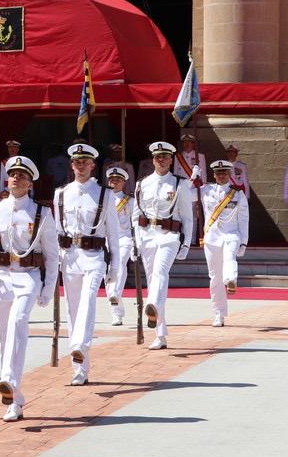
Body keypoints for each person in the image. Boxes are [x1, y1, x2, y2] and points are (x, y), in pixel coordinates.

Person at [0, 155, 58, 422]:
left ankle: (8, 379)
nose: (15, 178)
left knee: (18, 322)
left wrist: (49, 288)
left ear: (30, 183)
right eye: (12, 174)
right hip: (1, 277)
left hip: (27, 277)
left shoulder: (41, 213)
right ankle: (15, 398)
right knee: (4, 336)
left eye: (22, 175)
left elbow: (52, 254)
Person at [53, 143, 120, 386]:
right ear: (72, 165)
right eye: (76, 162)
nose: (80, 165)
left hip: (94, 256)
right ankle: (79, 369)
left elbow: (114, 233)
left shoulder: (105, 194)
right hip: (70, 256)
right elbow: (58, 232)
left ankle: (79, 344)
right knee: (72, 309)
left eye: (85, 162)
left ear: (93, 165)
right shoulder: (60, 193)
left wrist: (115, 269)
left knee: (88, 299)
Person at [133, 141, 194, 351]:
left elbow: (188, 217)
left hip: (170, 236)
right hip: (148, 236)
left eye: (166, 157)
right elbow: (136, 215)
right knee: (154, 281)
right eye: (158, 157)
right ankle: (160, 334)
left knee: (160, 273)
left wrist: (186, 244)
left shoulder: (180, 184)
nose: (162, 160)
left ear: (171, 160)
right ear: (153, 160)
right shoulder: (142, 183)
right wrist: (137, 241)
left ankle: (151, 305)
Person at [201, 160, 249, 327]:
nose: (221, 175)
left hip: (231, 234)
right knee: (214, 277)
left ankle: (231, 280)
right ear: (213, 175)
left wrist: (243, 242)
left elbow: (244, 219)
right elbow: (188, 194)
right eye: (218, 173)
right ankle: (218, 313)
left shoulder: (237, 194)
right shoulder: (205, 191)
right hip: (212, 237)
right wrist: (193, 177)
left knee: (230, 258)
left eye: (224, 172)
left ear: (229, 174)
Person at [104, 167, 135, 326]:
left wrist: (137, 243)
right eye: (112, 179)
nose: (114, 182)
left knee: (120, 263)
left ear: (124, 183)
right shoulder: (102, 199)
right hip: (105, 240)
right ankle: (116, 311)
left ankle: (115, 292)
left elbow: (135, 223)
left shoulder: (129, 200)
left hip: (124, 238)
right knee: (106, 271)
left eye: (118, 180)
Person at [173, 133, 206, 245]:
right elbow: (176, 174)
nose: (187, 144)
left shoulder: (199, 156)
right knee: (180, 215)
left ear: (193, 144)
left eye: (189, 142)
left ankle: (191, 241)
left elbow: (203, 176)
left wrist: (202, 191)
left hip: (194, 190)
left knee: (193, 216)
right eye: (185, 142)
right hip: (182, 189)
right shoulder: (178, 157)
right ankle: (182, 240)